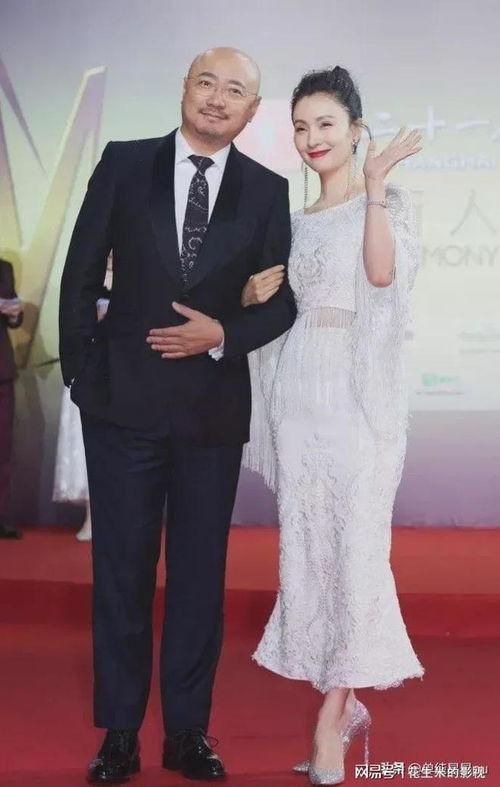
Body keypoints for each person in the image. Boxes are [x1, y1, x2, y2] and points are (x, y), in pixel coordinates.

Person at [59, 47, 296, 783]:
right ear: (184, 89)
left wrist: (224, 332)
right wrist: (81, 376)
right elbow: (80, 271)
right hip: (121, 408)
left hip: (210, 415)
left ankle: (189, 732)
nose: (217, 98)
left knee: (198, 579)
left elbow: (282, 302)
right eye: (206, 83)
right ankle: (119, 734)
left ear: (251, 111)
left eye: (235, 90)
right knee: (121, 574)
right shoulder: (124, 162)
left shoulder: (267, 190)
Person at [242, 66, 425, 786]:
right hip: (298, 394)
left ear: (355, 130)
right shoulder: (293, 223)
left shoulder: (387, 205)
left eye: (325, 124)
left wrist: (375, 187)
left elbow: (380, 277)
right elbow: (278, 313)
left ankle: (333, 716)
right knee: (312, 547)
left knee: (356, 548)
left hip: (357, 397)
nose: (312, 138)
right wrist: (252, 293)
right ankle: (338, 698)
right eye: (300, 126)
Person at [53, 267, 112, 542]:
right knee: (86, 447)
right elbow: (73, 320)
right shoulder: (87, 273)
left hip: (125, 372)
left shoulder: (137, 268)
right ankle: (92, 517)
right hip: (90, 370)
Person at [0, 258, 23, 540]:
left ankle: (0, 517)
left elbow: (14, 318)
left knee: (3, 449)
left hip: (2, 371)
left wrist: (15, 314)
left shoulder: (4, 268)